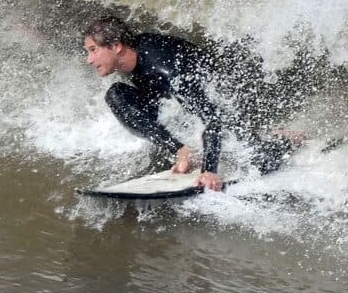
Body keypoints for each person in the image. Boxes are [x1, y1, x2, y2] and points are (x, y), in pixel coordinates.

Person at [83, 16, 300, 191]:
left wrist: (209, 170)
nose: (89, 60)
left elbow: (213, 117)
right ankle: (183, 150)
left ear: (117, 46)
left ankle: (282, 141)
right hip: (179, 105)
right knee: (116, 95)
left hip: (220, 109)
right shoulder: (134, 58)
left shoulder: (165, 70)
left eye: (93, 50)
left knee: (259, 161)